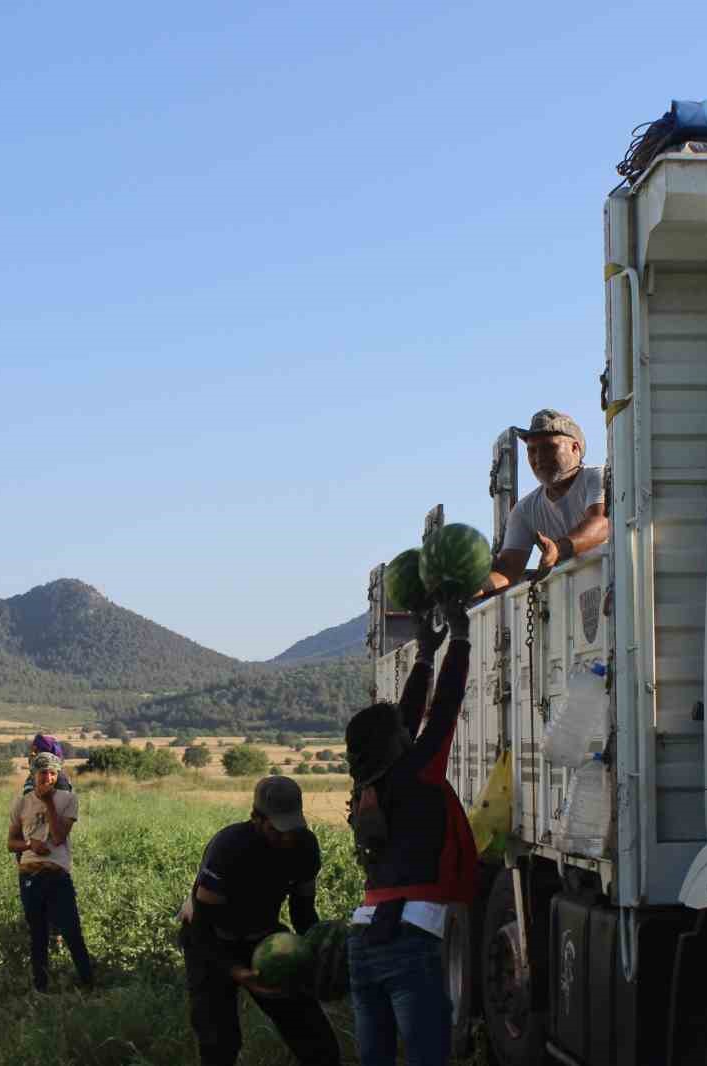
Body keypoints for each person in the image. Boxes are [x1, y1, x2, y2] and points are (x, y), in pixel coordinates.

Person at [343, 605, 477, 1066]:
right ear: (397, 741)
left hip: (363, 940)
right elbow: (443, 711)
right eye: (403, 731)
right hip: (408, 939)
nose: (408, 729)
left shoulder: (367, 785)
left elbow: (408, 715)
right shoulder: (417, 774)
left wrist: (424, 655)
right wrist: (460, 638)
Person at [179, 775, 340, 1066]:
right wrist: (234, 970)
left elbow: (303, 911)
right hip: (212, 941)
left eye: (292, 829)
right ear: (256, 819)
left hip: (265, 939)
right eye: (277, 831)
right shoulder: (229, 847)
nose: (287, 837)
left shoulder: (304, 847)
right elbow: (201, 924)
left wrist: (315, 953)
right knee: (219, 1043)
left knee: (317, 1040)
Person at [484, 408, 609, 594]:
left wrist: (558, 549)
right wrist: (470, 587)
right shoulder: (524, 510)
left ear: (575, 448)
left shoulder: (597, 476)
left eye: (549, 448)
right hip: (572, 598)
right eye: (532, 450)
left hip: (614, 586)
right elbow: (508, 570)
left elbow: (601, 523)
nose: (539, 458)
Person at [7, 751, 94, 992]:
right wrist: (29, 845)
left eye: (53, 773)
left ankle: (88, 985)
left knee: (72, 931)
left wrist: (48, 803)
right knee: (38, 936)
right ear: (34, 775)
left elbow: (58, 836)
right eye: (43, 772)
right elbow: (11, 843)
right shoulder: (21, 803)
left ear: (58, 776)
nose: (48, 777)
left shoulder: (68, 800)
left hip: (57, 877)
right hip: (29, 876)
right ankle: (41, 989)